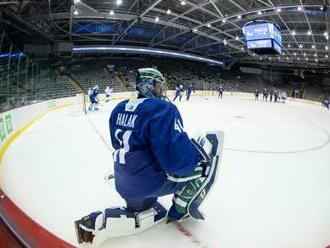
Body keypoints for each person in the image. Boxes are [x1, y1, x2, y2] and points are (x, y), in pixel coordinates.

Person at [75, 68, 223, 244]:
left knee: (143, 206)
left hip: (123, 183)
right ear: (148, 86)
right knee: (206, 163)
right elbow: (176, 163)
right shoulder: (163, 109)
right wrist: (194, 154)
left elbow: (121, 145)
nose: (162, 90)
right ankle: (181, 208)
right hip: (148, 183)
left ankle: (108, 218)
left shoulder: (118, 108)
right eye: (159, 86)